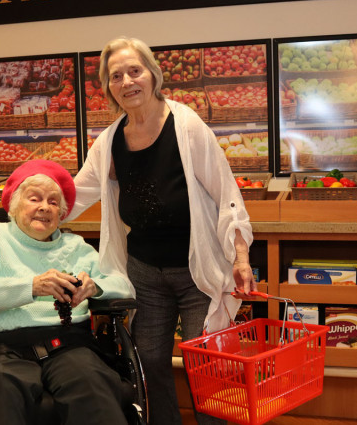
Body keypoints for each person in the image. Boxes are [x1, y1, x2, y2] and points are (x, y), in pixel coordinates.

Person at [67, 36, 256, 425]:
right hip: (143, 272)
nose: (127, 81)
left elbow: (227, 194)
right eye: (116, 76)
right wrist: (29, 205)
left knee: (206, 366)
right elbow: (76, 193)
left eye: (134, 71)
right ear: (109, 88)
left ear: (152, 75)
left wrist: (240, 257)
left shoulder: (186, 126)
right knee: (148, 360)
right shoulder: (109, 141)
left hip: (196, 271)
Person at [0, 159, 134, 425]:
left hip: (69, 345)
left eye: (53, 202)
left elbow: (124, 286)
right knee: (0, 390)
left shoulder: (76, 246)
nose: (44, 207)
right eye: (34, 198)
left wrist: (95, 287)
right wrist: (31, 287)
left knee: (92, 385)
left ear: (61, 213)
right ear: (14, 206)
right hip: (2, 348)